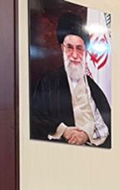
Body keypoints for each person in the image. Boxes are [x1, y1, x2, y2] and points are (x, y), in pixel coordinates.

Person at [30, 12, 111, 148]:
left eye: (79, 49)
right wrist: (64, 131)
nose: (74, 55)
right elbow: (36, 117)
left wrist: (86, 135)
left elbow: (106, 123)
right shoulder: (49, 82)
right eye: (69, 48)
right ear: (62, 48)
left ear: (85, 51)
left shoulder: (93, 87)